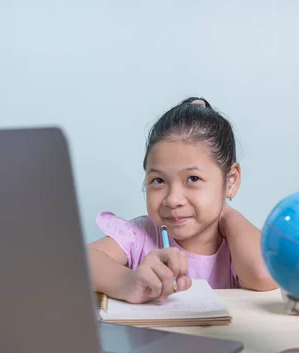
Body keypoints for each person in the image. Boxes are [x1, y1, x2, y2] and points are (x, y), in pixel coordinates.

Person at [88, 97, 278, 304]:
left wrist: (227, 213)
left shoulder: (237, 248)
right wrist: (127, 282)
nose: (172, 199)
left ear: (231, 180)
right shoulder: (140, 235)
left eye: (193, 179)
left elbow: (265, 274)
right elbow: (79, 262)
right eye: (158, 180)